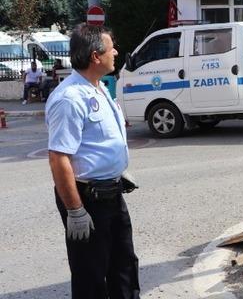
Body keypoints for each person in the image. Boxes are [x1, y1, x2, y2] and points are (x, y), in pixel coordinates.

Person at [46, 24, 139, 298]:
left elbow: (96, 145)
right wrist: (75, 210)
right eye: (111, 49)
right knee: (91, 276)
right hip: (87, 199)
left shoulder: (97, 88)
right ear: (95, 57)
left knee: (125, 267)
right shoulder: (69, 99)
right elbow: (59, 158)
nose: (116, 52)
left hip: (112, 193)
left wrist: (115, 170)